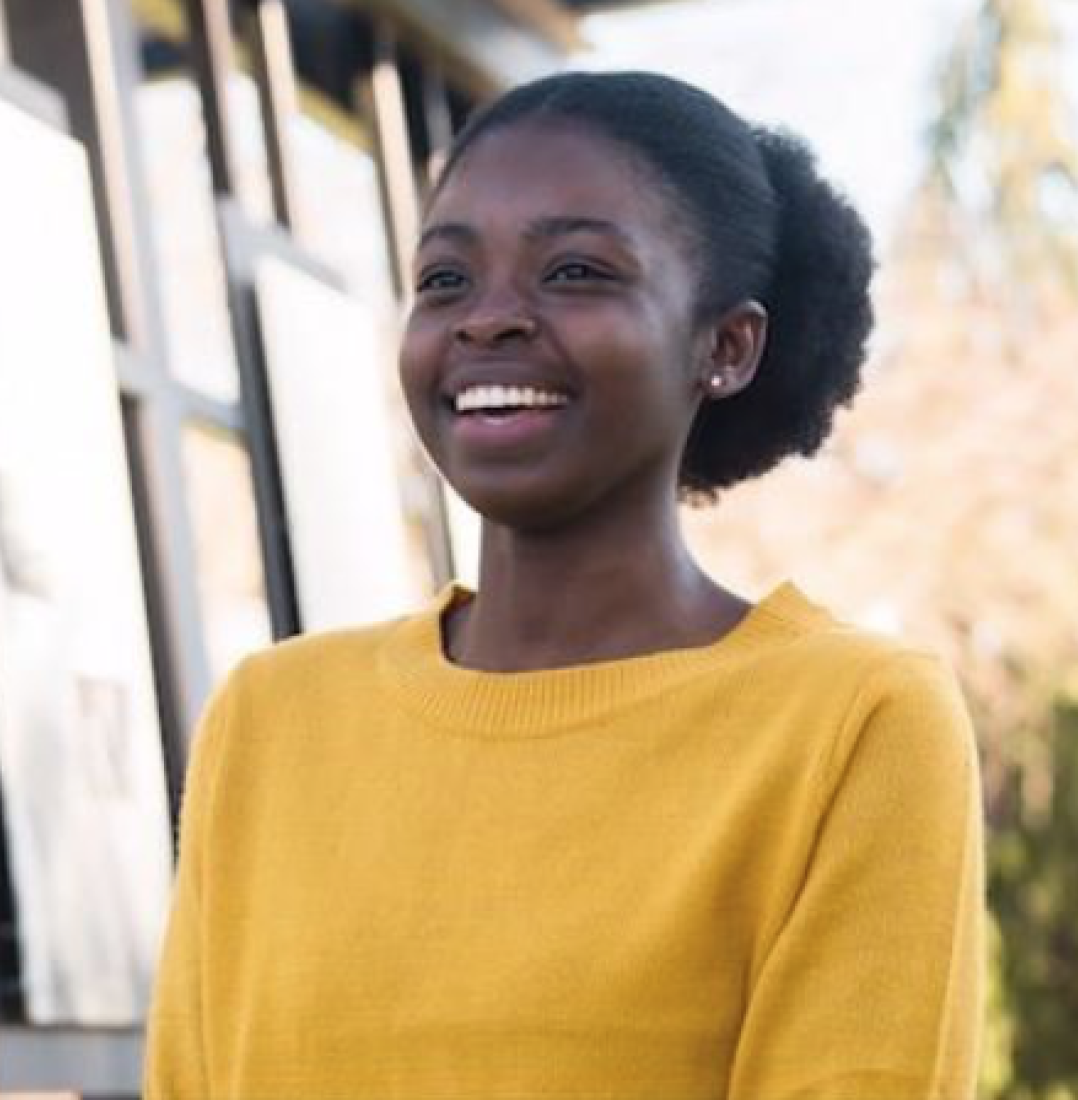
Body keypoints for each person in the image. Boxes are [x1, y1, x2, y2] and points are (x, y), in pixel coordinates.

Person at [144, 71, 986, 1098]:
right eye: (444, 279)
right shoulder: (267, 722)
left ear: (724, 346)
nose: (487, 319)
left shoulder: (851, 723)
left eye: (576, 270)